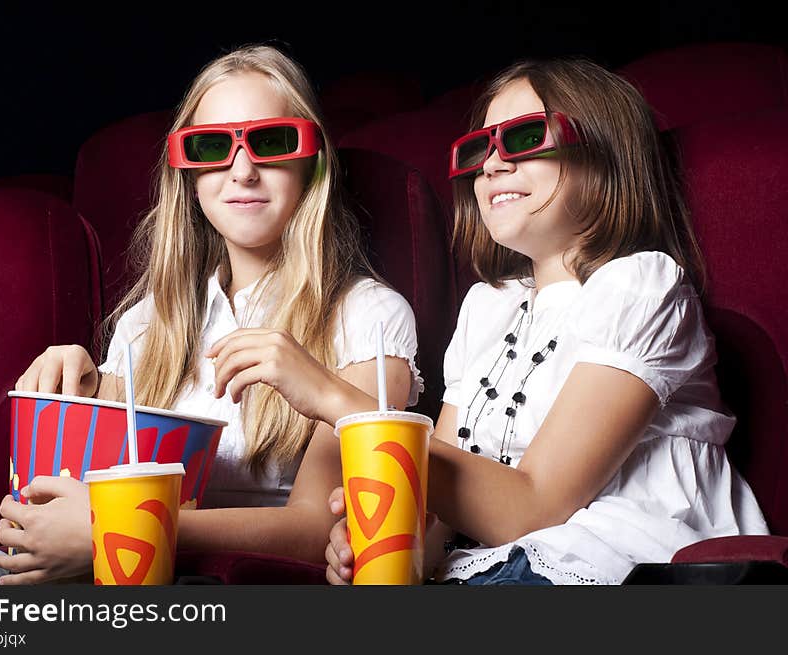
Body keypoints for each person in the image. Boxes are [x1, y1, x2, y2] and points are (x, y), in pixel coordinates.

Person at [0, 44, 422, 585]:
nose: (243, 170)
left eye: (271, 142)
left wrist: (123, 526)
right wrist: (76, 391)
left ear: (311, 161)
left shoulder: (370, 317)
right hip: (99, 574)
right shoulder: (149, 320)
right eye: (211, 147)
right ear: (187, 172)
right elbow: (78, 487)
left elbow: (321, 526)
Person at [323, 57, 769, 585]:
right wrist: (393, 529)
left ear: (606, 154)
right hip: (492, 562)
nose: (490, 165)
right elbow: (445, 507)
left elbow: (535, 506)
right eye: (478, 149)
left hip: (614, 560)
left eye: (524, 137)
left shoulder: (642, 287)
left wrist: (332, 399)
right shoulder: (487, 307)